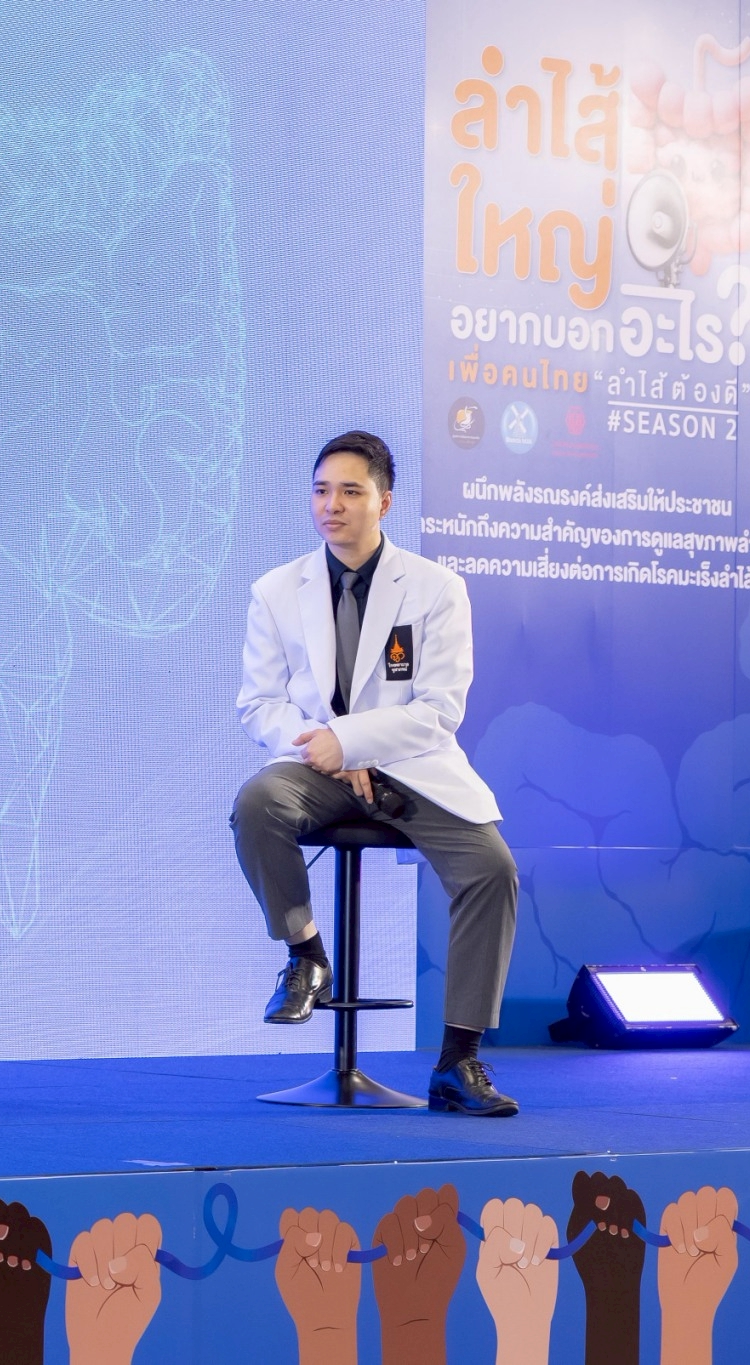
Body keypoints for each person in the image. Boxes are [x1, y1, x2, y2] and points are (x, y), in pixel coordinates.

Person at [232, 430, 521, 1116]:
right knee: (257, 804)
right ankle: (306, 955)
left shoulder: (436, 588)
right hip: (316, 767)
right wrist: (327, 747)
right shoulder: (276, 590)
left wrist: (351, 741)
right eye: (320, 490)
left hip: (413, 767)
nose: (331, 505)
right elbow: (259, 704)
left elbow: (439, 708)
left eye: (350, 491)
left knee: (491, 869)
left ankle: (457, 1061)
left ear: (384, 502)